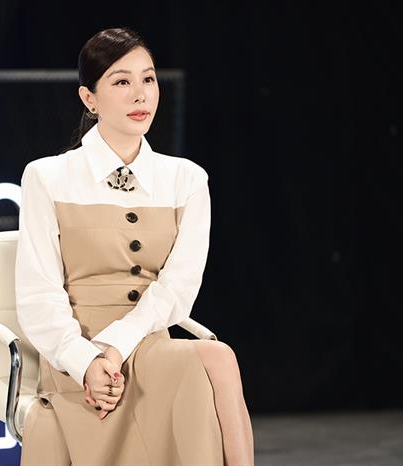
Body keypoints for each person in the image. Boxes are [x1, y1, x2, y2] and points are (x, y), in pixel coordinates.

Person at [15, 27, 254, 465]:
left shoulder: (186, 179)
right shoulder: (46, 177)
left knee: (213, 360)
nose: (140, 94)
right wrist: (86, 361)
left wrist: (119, 344)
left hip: (148, 342)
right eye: (121, 81)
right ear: (89, 98)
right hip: (75, 353)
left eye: (148, 79)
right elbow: (37, 296)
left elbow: (179, 288)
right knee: (212, 361)